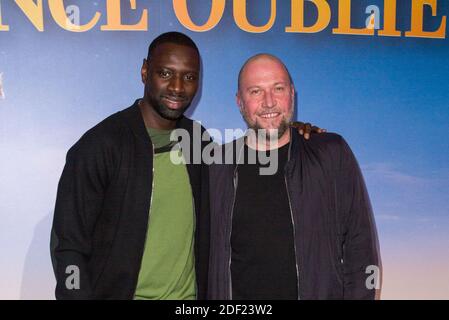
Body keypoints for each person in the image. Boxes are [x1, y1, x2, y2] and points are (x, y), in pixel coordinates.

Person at [50, 32, 321, 300]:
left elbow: (248, 159)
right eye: (165, 73)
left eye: (189, 77)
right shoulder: (101, 145)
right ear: (145, 71)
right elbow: (68, 246)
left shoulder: (198, 141)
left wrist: (288, 132)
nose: (178, 87)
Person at [207, 54, 381, 300]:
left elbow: (360, 247)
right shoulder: (216, 168)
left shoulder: (331, 154)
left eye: (278, 88)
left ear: (292, 93)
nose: (269, 102)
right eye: (256, 91)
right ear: (240, 102)